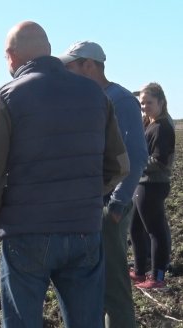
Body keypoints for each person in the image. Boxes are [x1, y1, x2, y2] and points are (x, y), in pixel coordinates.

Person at [0, 21, 129, 328]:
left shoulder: (5, 97)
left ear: (11, 56)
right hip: (84, 230)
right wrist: (89, 197)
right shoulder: (96, 96)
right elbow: (120, 165)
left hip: (26, 232)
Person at [58, 41, 148, 328]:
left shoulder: (120, 100)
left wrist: (118, 205)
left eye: (71, 66)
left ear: (89, 65)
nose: (67, 73)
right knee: (87, 283)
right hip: (86, 206)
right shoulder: (83, 99)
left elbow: (135, 155)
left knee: (112, 284)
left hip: (109, 206)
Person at [129, 82, 175, 289]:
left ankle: (158, 277)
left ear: (161, 102)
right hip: (143, 183)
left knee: (155, 231)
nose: (145, 106)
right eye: (142, 103)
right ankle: (140, 272)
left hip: (153, 185)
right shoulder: (150, 123)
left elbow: (160, 161)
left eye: (149, 102)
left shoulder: (162, 127)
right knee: (135, 228)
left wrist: (135, 163)